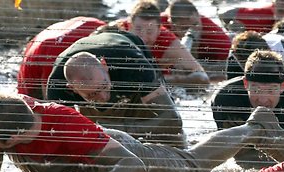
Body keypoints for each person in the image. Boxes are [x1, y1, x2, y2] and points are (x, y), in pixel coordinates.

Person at [0, 93, 284, 172]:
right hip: (82, 155)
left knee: (193, 164)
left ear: (12, 138)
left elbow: (132, 166)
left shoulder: (65, 124)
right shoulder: (10, 113)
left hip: (119, 152)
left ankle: (255, 126)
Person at [45, 31, 186, 148]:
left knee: (175, 139)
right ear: (71, 88)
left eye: (103, 87)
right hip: (84, 52)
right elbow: (58, 137)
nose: (103, 96)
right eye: (93, 94)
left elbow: (173, 120)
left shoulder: (133, 66)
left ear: (104, 65)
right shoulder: (56, 88)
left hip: (126, 48)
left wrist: (121, 130)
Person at [110, 0, 209, 87]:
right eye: (138, 29)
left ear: (159, 30)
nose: (143, 38)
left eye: (149, 32)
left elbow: (202, 77)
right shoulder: (116, 32)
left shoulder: (169, 43)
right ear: (130, 26)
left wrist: (165, 80)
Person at [17, 17, 107, 100]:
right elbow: (50, 103)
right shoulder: (53, 58)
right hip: (40, 56)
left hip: (60, 32)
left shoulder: (101, 28)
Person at [160, 0, 232, 81]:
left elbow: (226, 69)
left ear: (198, 16)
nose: (193, 30)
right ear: (172, 26)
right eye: (185, 28)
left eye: (195, 24)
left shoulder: (217, 39)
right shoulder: (158, 27)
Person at [218, 0, 284, 34]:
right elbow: (224, 13)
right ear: (273, 8)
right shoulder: (263, 15)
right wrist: (230, 28)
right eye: (281, 11)